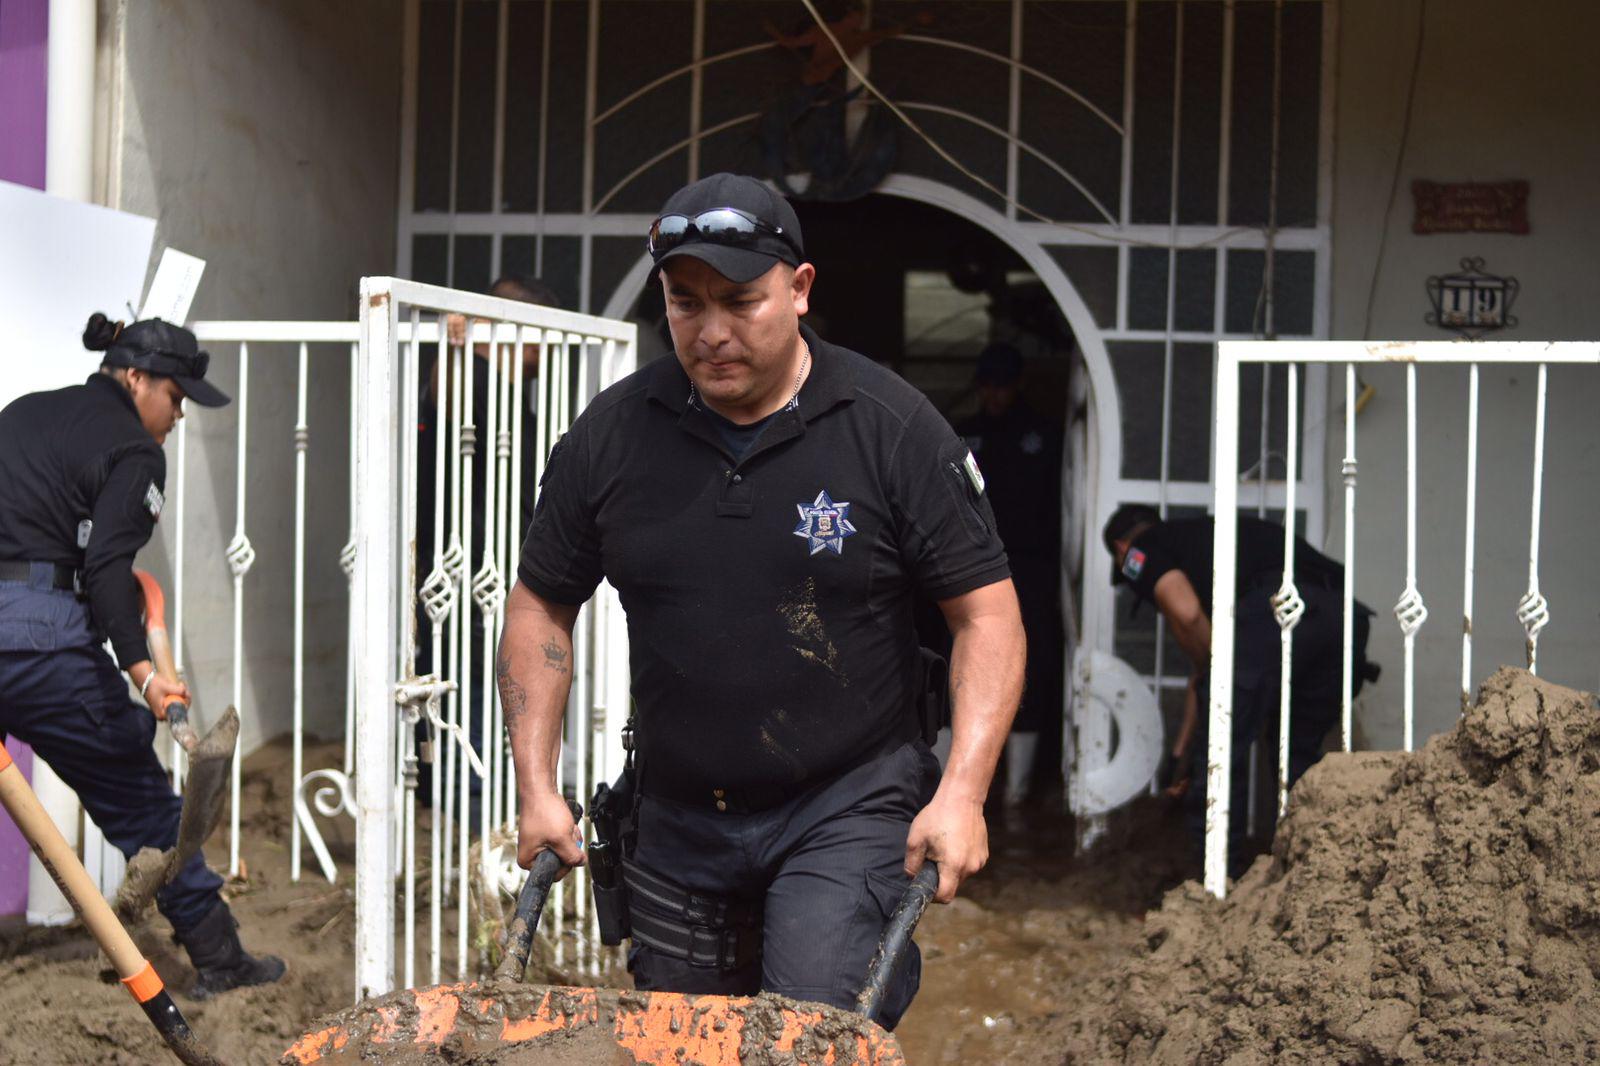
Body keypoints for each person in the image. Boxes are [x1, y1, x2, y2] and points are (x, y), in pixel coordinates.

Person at [499, 172, 1025, 1027]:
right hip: (676, 816)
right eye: (684, 303)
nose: (711, 334)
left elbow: (987, 615)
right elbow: (538, 609)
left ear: (800, 289)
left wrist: (961, 793)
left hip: (845, 802)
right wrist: (536, 785)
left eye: (741, 301)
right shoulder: (613, 437)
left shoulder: (889, 429)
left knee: (811, 1029)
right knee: (681, 1042)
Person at [0, 314, 285, 998]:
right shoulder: (134, 450)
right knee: (146, 803)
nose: (179, 414)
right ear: (136, 377)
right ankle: (220, 961)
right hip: (39, 649)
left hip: (25, 616)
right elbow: (103, 571)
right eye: (177, 397)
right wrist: (145, 676)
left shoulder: (24, 413)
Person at [1102, 504, 1375, 876]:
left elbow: (1184, 611)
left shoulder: (1141, 550)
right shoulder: (1218, 538)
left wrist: (1217, 669)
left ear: (1120, 548)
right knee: (1297, 757)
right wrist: (1179, 753)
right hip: (1343, 620)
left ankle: (1217, 886)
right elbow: (1204, 679)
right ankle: (1306, 874)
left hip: (1275, 611)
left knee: (1220, 752)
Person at [955, 342, 1063, 810]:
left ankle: (1017, 794)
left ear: (1017, 384)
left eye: (1001, 385)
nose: (993, 395)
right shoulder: (963, 435)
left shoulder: (1044, 435)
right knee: (960, 662)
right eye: (986, 385)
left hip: (1030, 567)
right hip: (966, 566)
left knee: (1029, 668)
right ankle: (954, 790)